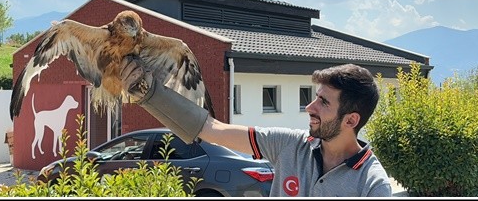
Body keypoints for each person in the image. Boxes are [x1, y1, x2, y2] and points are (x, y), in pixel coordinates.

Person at [121, 61, 392, 197]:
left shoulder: (372, 185)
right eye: (314, 97)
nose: (309, 107)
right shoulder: (290, 145)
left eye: (323, 102)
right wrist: (150, 94)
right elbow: (210, 129)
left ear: (351, 120)